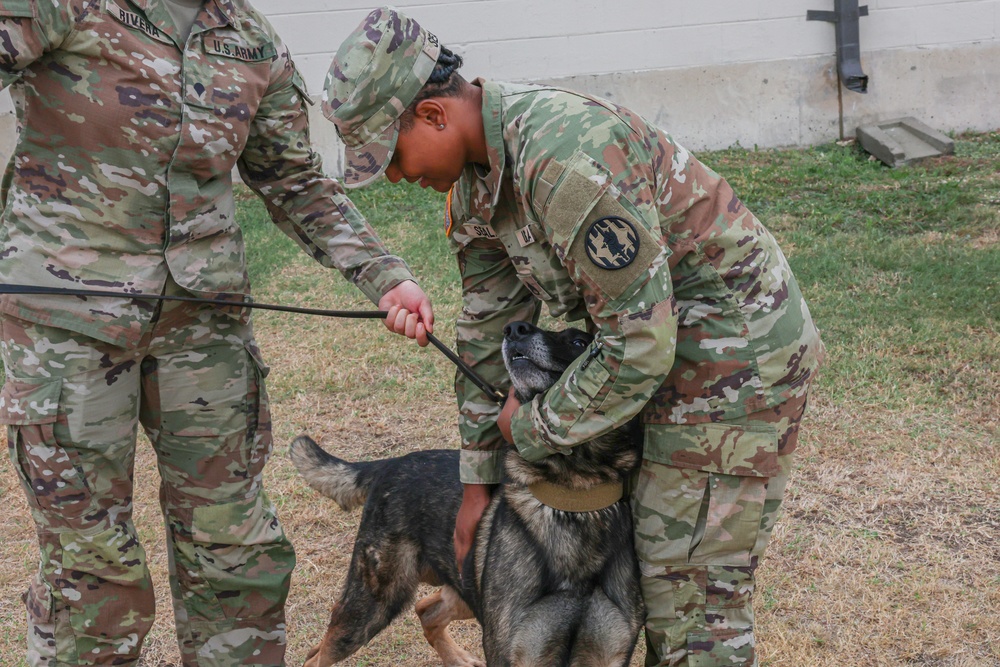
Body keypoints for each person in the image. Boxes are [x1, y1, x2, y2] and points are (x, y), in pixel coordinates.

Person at [325, 7, 825, 667]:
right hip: (649, 354)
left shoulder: (564, 159)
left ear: (435, 115)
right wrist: (478, 487)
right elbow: (484, 334)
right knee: (648, 572)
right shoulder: (474, 187)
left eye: (390, 155)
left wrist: (526, 429)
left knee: (691, 604)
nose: (393, 176)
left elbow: (639, 345)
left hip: (728, 362)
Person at [0, 1, 433, 665]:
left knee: (237, 557)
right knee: (93, 575)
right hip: (67, 329)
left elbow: (292, 176)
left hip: (202, 330)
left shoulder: (250, 36)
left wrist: (384, 274)